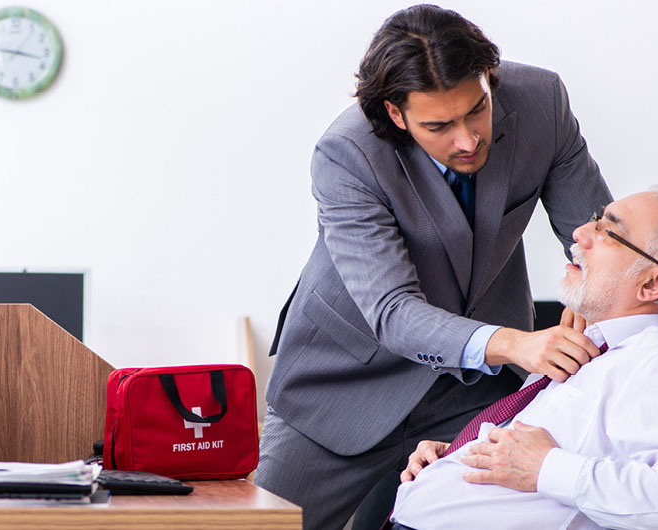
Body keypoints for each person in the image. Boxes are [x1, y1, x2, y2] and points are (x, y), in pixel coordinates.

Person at [255, 5, 612, 528]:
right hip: (346, 384)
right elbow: (393, 310)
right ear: (396, 115)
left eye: (477, 110)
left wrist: (590, 305)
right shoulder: (347, 152)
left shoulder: (543, 103)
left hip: (477, 391)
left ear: (489, 79)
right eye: (439, 126)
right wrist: (519, 342)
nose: (467, 140)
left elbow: (597, 240)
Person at [392, 187, 658, 530]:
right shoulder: (590, 351)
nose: (581, 233)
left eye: (609, 232)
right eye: (595, 220)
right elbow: (545, 454)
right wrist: (459, 456)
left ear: (652, 283)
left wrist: (546, 468)